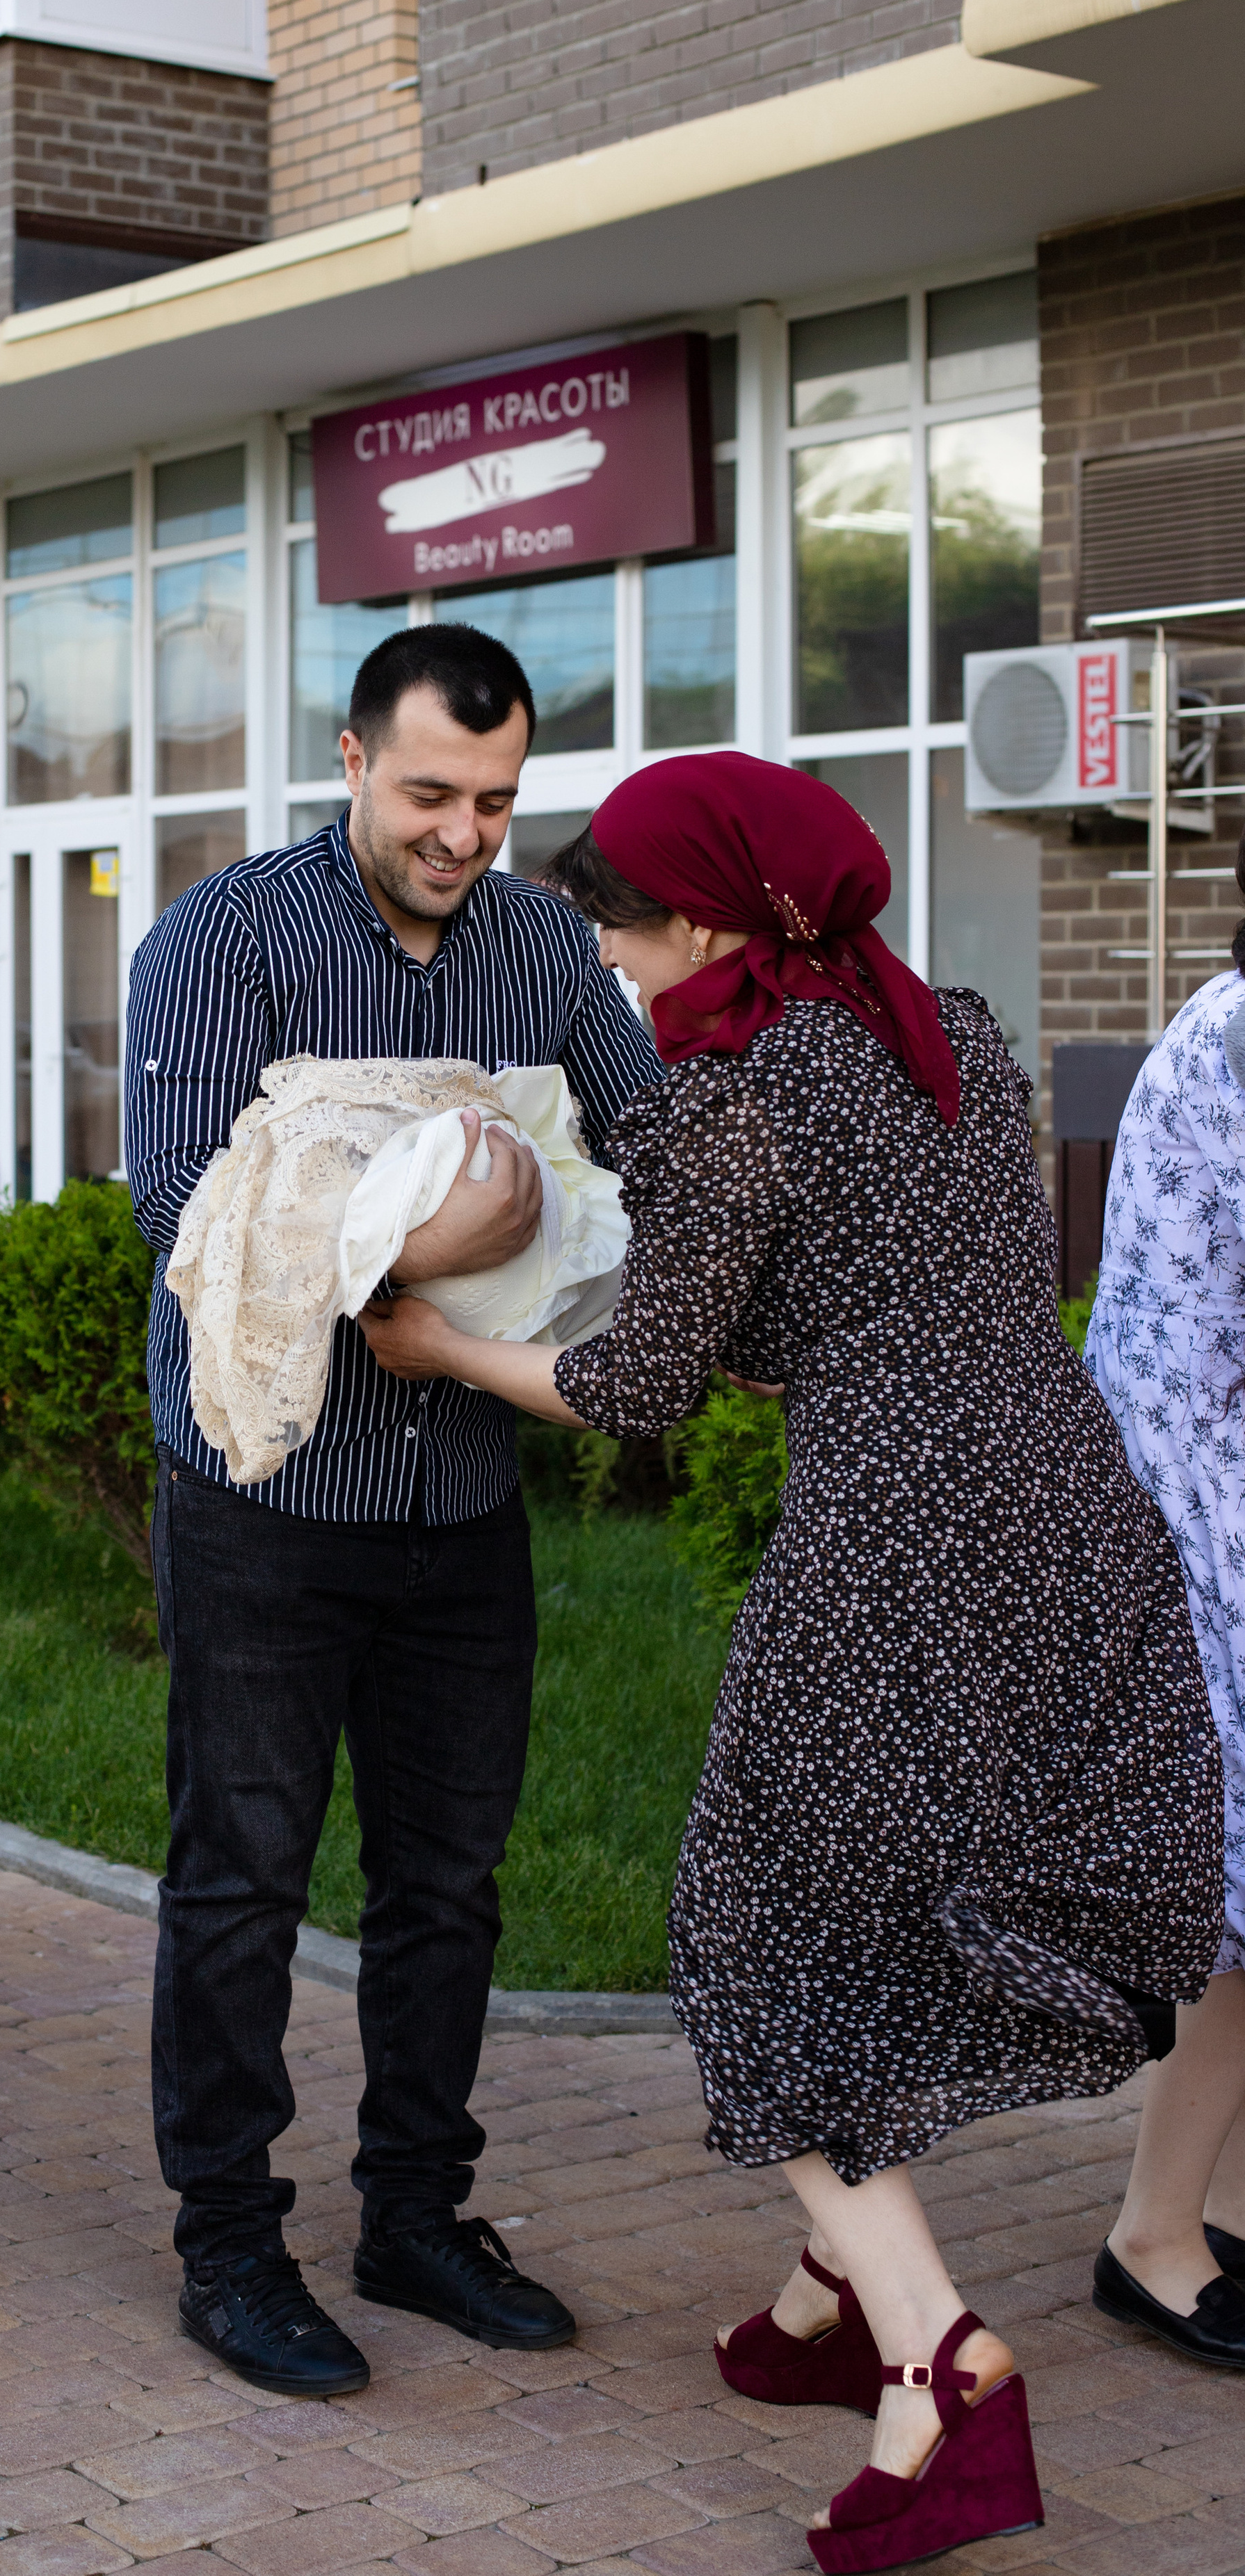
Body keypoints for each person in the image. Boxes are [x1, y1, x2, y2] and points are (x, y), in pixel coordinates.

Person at [360, 751, 1223, 2574]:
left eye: (623, 937)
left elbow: (638, 1384)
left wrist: (437, 1343)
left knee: (756, 1942)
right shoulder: (960, 1035)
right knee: (883, 1898)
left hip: (898, 1548)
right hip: (1068, 1513)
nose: (617, 971)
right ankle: (826, 2311)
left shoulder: (735, 1096)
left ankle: (941, 2367)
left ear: (706, 919)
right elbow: (892, 1285)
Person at [122, 624, 660, 2399]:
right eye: (430, 792)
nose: (464, 834)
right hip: (264, 1492)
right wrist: (459, 1238)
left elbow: (640, 1147)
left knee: (447, 1884)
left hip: (455, 1500)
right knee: (243, 1878)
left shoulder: (534, 947)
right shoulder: (224, 943)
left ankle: (415, 2217)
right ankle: (230, 2246)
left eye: (497, 800)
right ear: (349, 759)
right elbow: (196, 1228)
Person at [1083, 837, 1245, 2369]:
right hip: (1205, 1520)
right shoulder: (1228, 1038)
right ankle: (1152, 2233)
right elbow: (1166, 1369)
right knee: (1229, 1907)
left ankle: (1209, 2207)